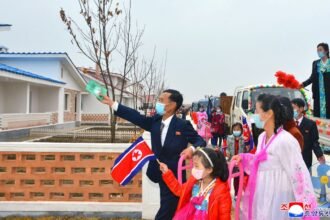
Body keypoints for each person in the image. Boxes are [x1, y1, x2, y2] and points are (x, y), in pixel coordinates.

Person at [101, 89, 206, 220]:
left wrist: (192, 149)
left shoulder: (182, 125)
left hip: (174, 175)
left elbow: (200, 141)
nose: (158, 103)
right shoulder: (155, 121)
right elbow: (136, 116)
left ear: (172, 105)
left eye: (161, 101)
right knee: (169, 207)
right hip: (157, 171)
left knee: (167, 209)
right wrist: (113, 104)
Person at [231, 94, 318, 220]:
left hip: (280, 196)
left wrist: (306, 207)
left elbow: (299, 175)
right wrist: (243, 158)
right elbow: (261, 163)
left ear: (269, 113)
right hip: (262, 194)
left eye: (257, 111)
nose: (254, 115)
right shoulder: (261, 138)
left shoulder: (285, 140)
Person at [158, 147, 232, 220]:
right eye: (193, 166)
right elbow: (180, 191)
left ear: (209, 169)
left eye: (196, 166)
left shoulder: (221, 191)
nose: (193, 169)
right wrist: (167, 173)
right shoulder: (194, 182)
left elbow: (224, 216)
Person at [292, 98, 325, 171]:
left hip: (305, 158)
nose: (291, 110)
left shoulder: (310, 124)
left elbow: (314, 142)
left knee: (306, 179)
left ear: (301, 109)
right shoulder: (288, 124)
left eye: (293, 108)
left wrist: (319, 155)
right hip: (291, 158)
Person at [301, 42, 330, 119]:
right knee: (318, 115)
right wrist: (303, 84)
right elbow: (312, 77)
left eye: (320, 50)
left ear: (326, 51)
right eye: (317, 50)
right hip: (318, 94)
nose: (318, 52)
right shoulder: (316, 63)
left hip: (328, 93)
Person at [226, 122, 248, 198]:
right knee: (230, 177)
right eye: (234, 129)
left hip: (240, 162)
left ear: (241, 130)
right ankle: (230, 192)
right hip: (232, 161)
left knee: (238, 178)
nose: (236, 131)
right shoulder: (229, 138)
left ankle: (237, 193)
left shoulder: (244, 139)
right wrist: (227, 153)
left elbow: (246, 151)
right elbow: (227, 148)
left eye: (238, 129)